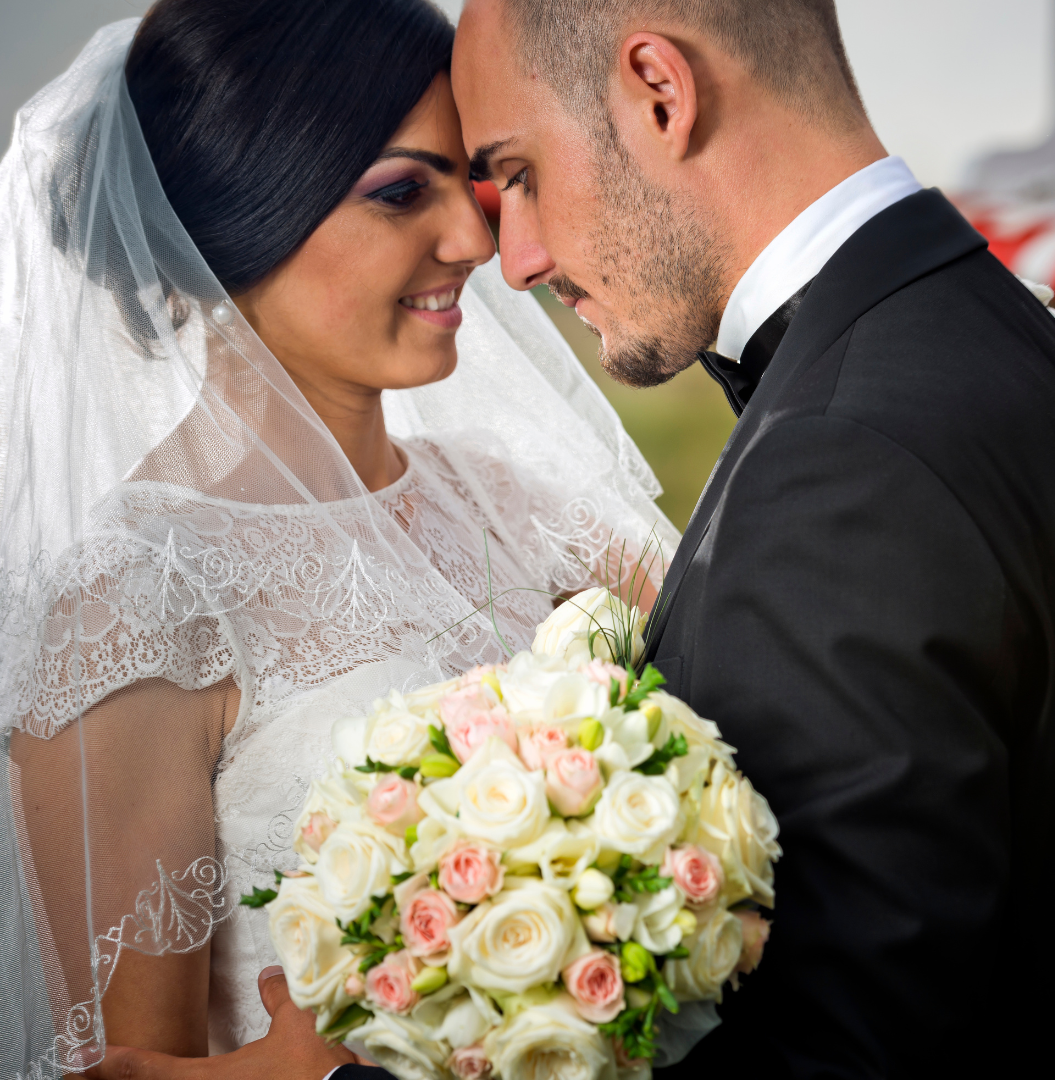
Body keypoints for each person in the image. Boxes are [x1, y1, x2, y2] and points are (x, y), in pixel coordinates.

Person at [0, 2, 674, 1077]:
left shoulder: (535, 505)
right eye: (404, 190)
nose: (475, 240)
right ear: (235, 216)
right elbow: (115, 1065)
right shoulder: (138, 599)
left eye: (470, 179)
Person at [450, 0, 1055, 1077]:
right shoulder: (995, 333)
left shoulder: (844, 460)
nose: (516, 258)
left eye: (518, 175)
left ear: (661, 90)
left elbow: (833, 1045)